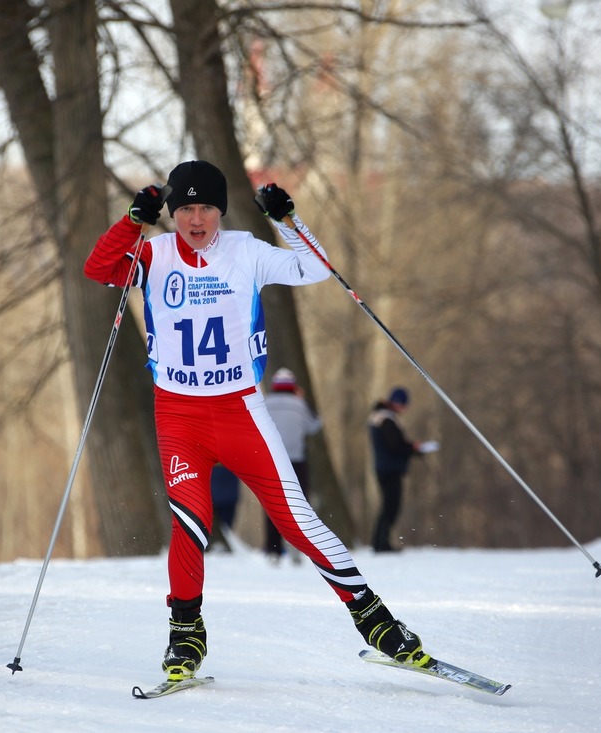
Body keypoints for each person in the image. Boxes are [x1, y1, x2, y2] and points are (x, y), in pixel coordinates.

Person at [84, 159, 430, 683]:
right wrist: (133, 220)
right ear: (172, 213)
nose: (196, 219)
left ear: (220, 210)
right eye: (184, 209)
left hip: (240, 409)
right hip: (178, 415)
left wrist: (289, 222)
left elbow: (315, 269)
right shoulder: (152, 254)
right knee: (190, 525)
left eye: (206, 208)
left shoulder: (245, 250)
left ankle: (375, 620)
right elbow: (98, 268)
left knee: (296, 519)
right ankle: (186, 633)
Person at [262, 367, 321, 562]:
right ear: (293, 387)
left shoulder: (264, 403)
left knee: (272, 505)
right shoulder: (299, 404)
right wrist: (302, 398)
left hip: (272, 460)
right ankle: (298, 546)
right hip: (296, 461)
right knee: (299, 505)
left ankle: (273, 549)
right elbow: (314, 426)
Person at [368, 387, 423, 553]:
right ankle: (381, 543)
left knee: (388, 505)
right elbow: (393, 445)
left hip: (385, 467)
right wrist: (411, 447)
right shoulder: (386, 419)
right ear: (398, 403)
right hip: (389, 468)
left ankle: (379, 542)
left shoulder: (381, 417)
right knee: (391, 506)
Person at [208, 463, 240, 552]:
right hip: (220, 473)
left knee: (225, 524)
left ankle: (221, 541)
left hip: (226, 472)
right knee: (223, 523)